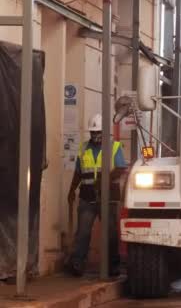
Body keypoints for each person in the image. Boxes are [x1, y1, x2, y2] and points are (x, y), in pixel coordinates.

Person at [64, 114, 127, 277]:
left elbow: (120, 168)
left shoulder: (114, 147)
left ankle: (112, 266)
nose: (95, 135)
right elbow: (78, 172)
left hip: (108, 197)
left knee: (111, 233)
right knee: (83, 232)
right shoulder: (84, 148)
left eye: (98, 132)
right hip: (87, 197)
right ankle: (77, 263)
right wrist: (71, 191)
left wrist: (104, 179)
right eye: (93, 132)